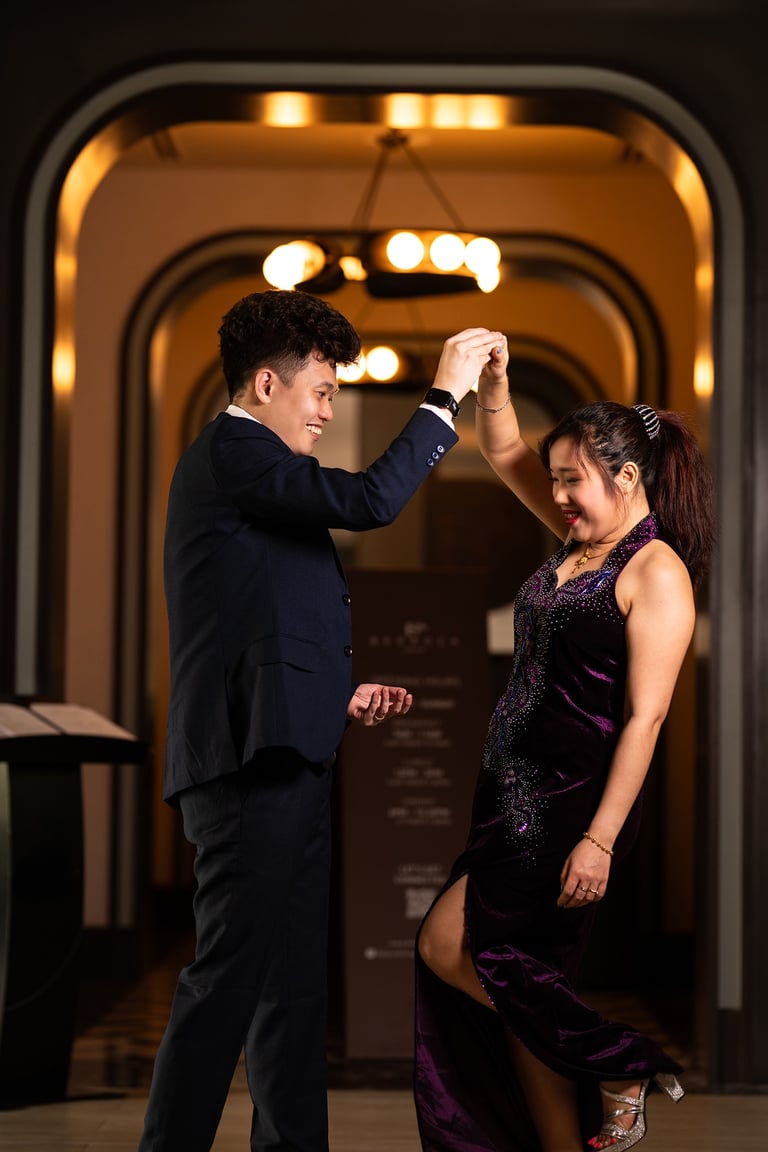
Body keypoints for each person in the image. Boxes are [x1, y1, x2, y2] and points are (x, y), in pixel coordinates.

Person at [137, 287, 505, 1152]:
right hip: (245, 770)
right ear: (266, 384)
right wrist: (443, 396)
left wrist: (329, 694)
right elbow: (372, 500)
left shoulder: (256, 475)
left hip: (288, 751)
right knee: (228, 983)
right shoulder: (235, 450)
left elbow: (247, 620)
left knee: (293, 993)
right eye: (323, 391)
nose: (330, 409)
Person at [414, 340, 714, 1152]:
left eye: (571, 480)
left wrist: (600, 840)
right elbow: (503, 448)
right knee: (522, 978)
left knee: (450, 945)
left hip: (568, 807)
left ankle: (618, 1062)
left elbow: (647, 718)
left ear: (627, 476)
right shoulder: (583, 540)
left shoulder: (655, 571)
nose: (556, 496)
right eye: (554, 481)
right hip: (508, 795)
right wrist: (497, 384)